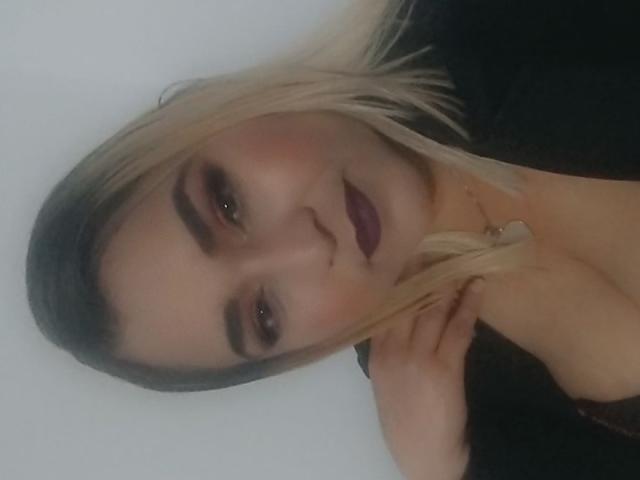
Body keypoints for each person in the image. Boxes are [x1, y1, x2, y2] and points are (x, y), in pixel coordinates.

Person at [25, 0, 640, 478]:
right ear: (297, 352)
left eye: (227, 204)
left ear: (214, 109)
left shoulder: (487, 20)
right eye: (264, 315)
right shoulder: (468, 419)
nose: (309, 247)